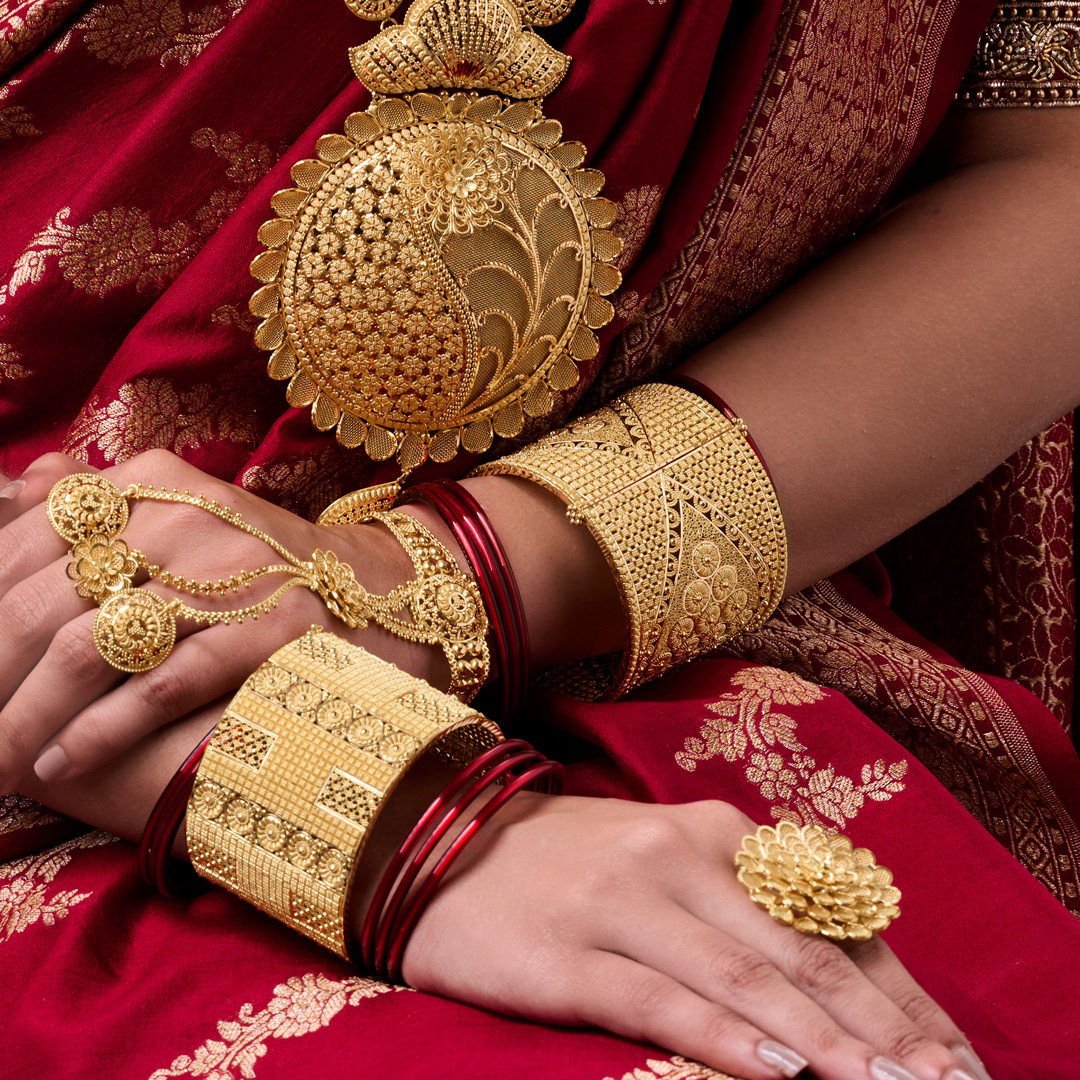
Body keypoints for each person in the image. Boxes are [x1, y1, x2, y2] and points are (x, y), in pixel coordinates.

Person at [1, 1, 1078, 1078]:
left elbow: (1050, 170)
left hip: (614, 590)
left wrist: (444, 580)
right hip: (73, 702)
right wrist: (392, 822)